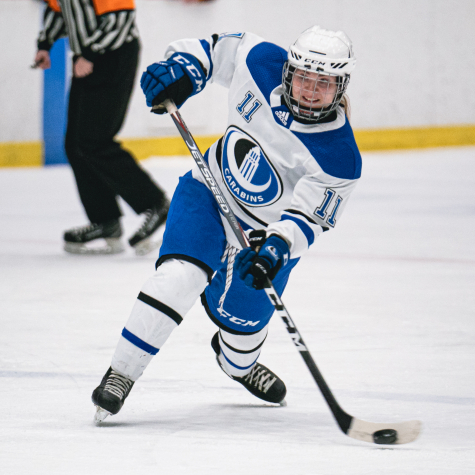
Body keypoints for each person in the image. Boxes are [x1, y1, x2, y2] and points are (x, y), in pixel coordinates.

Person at [91, 26, 362, 421]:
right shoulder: (260, 60)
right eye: (304, 76)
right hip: (207, 192)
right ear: (288, 71)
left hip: (261, 240)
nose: (309, 89)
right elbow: (213, 51)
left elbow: (309, 216)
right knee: (177, 279)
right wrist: (181, 71)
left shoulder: (340, 158)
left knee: (243, 327)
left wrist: (277, 247)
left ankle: (237, 364)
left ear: (341, 87)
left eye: (324, 82)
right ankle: (121, 374)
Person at [34, 0, 169, 255]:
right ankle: (106, 220)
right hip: (87, 56)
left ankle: (156, 203)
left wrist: (91, 54)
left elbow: (122, 17)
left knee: (94, 140)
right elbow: (57, 10)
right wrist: (45, 43)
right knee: (75, 145)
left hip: (114, 55)